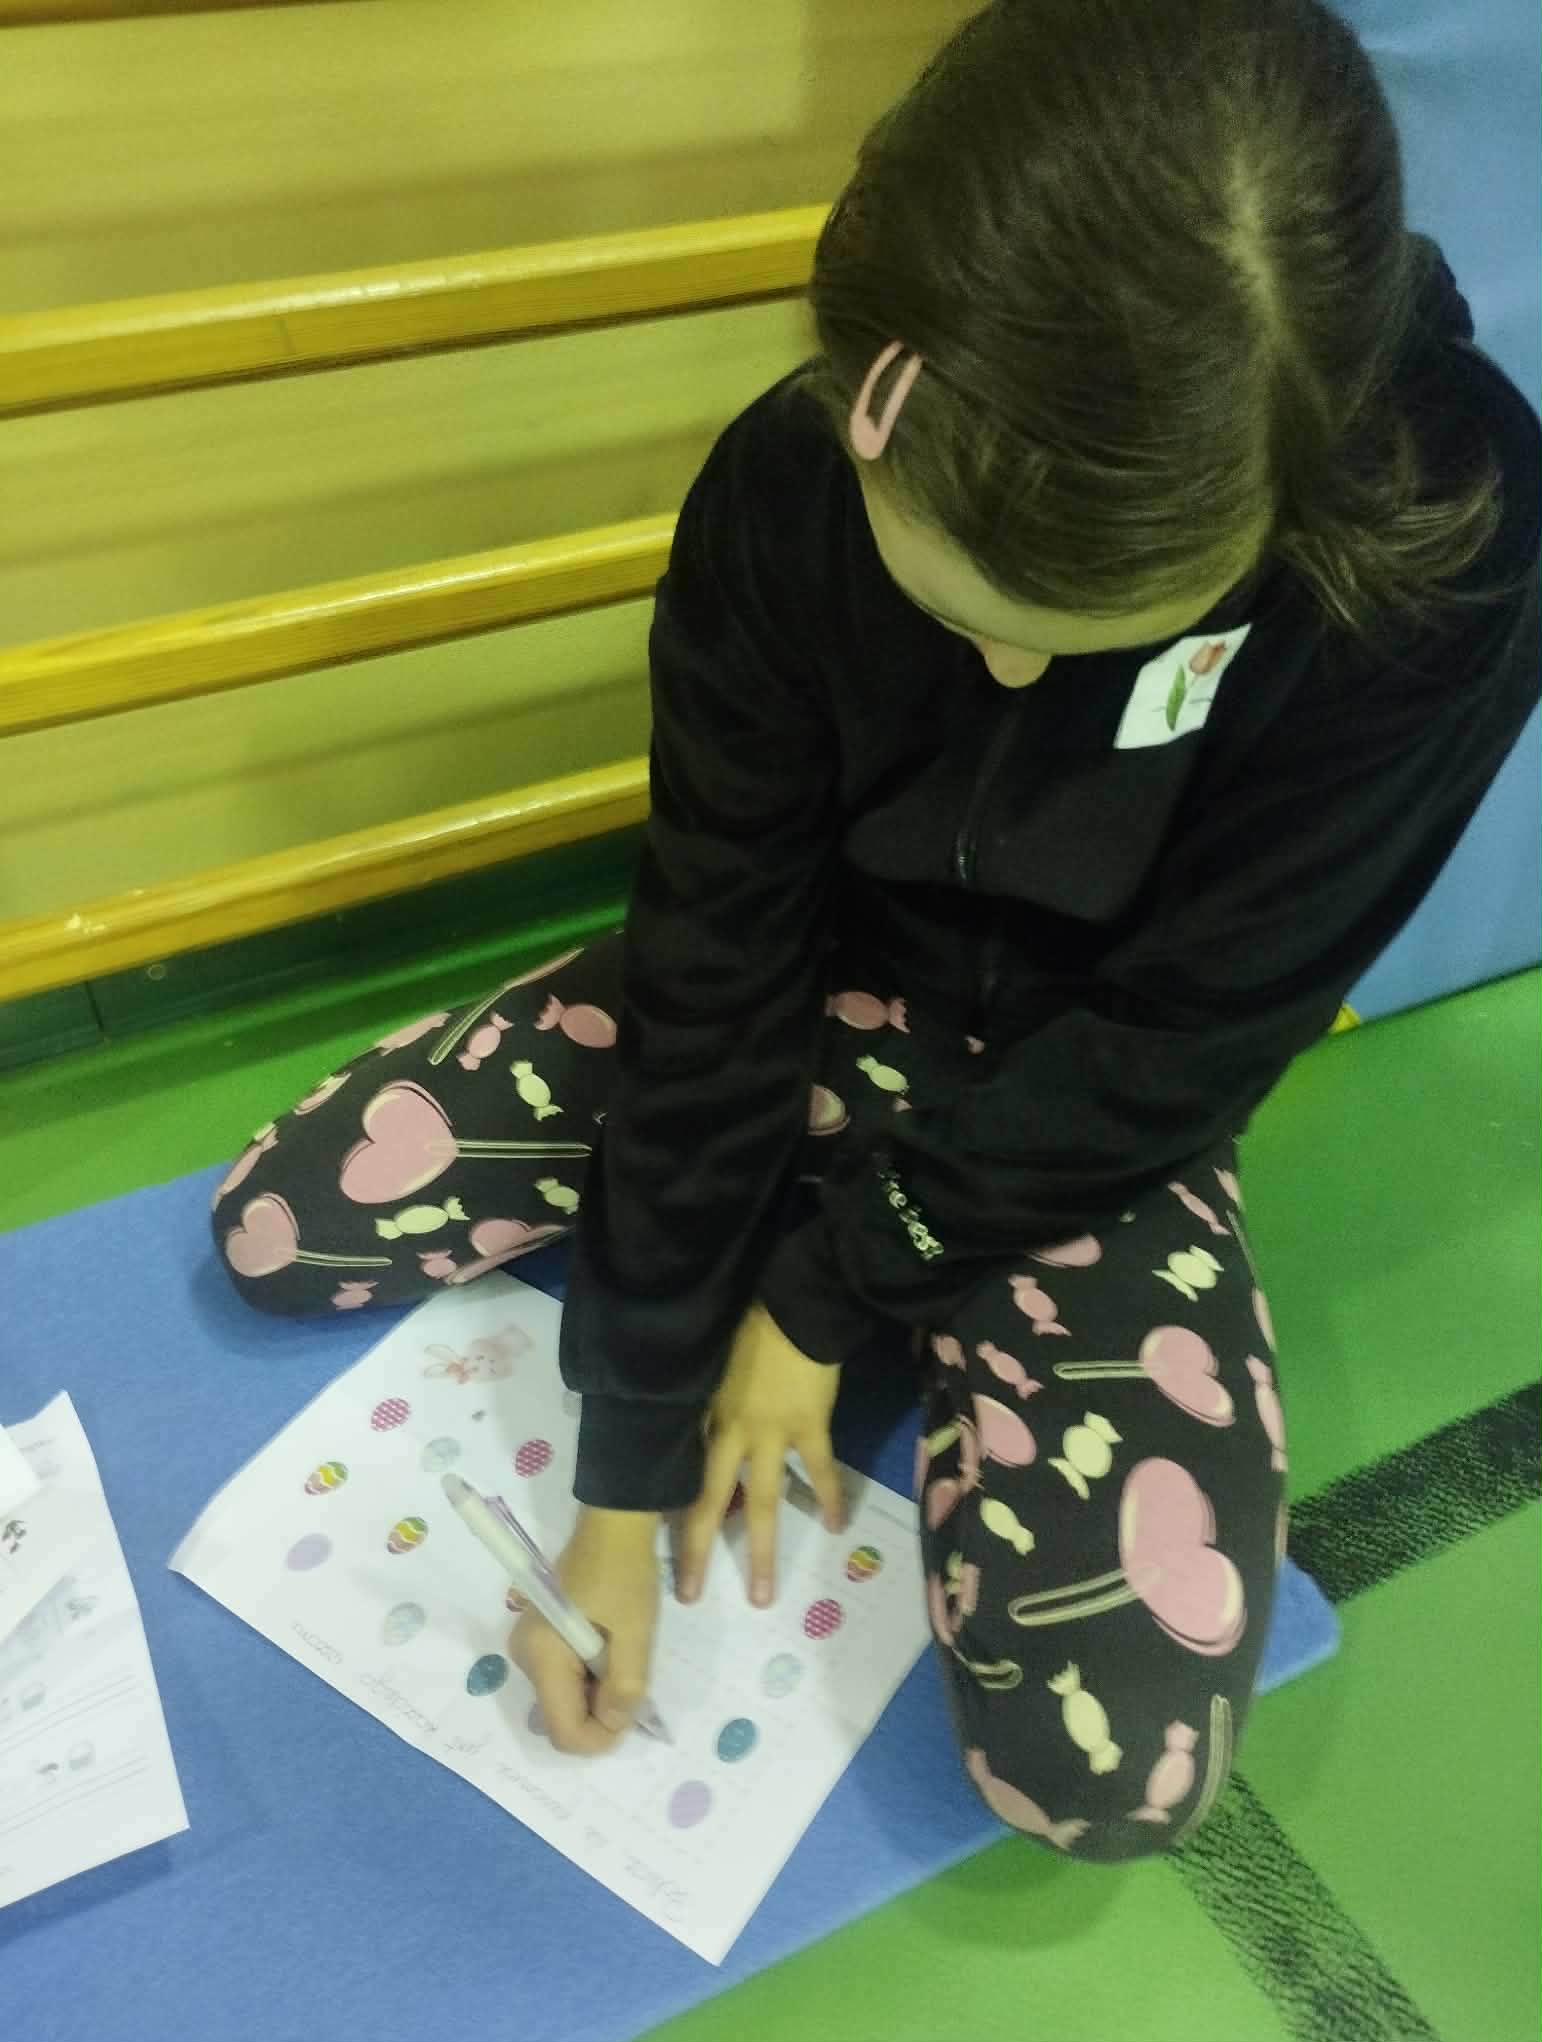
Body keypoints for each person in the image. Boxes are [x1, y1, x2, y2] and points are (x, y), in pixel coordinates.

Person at [212, 0, 1540, 1859]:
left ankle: (897, 1247)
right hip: (819, 988)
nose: (1004, 681)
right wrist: (628, 1461)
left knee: (1107, 1774)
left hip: (1088, 1093)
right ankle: (836, 1214)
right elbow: (719, 940)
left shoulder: (1444, 537)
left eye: (1081, 648)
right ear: (866, 398)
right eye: (953, 616)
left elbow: (1198, 1028)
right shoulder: (786, 480)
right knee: (277, 1230)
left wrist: (826, 1296)